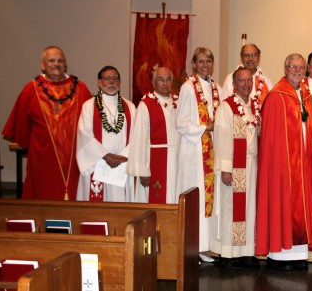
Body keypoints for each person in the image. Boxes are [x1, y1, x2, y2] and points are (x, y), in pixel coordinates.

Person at [2, 46, 92, 200]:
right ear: (42, 65)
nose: (56, 64)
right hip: (43, 158)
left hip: (75, 159)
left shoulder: (80, 88)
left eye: (60, 60)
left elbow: (91, 122)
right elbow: (20, 127)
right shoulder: (31, 89)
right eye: (51, 60)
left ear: (66, 64)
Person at [256, 53, 312, 271]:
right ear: (285, 68)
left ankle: (299, 253)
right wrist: (278, 165)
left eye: (301, 67)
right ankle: (280, 255)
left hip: (303, 163)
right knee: (283, 204)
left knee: (300, 206)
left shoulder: (306, 95)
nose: (297, 70)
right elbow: (271, 139)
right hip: (283, 165)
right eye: (293, 66)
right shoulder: (276, 96)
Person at [176, 47, 226, 263]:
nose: (205, 65)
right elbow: (181, 122)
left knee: (211, 198)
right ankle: (192, 247)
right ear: (194, 64)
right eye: (201, 61)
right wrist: (207, 127)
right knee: (197, 197)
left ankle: (206, 246)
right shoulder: (188, 87)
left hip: (212, 149)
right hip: (194, 152)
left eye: (209, 61)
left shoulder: (217, 88)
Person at [210, 67, 261, 269]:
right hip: (233, 165)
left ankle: (247, 251)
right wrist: (225, 168)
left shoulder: (255, 106)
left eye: (249, 80)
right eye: (242, 81)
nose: (246, 84)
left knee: (249, 208)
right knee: (232, 208)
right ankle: (230, 254)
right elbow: (221, 138)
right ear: (234, 84)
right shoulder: (226, 107)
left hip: (252, 164)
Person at [76, 66, 135, 202]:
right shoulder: (89, 106)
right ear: (99, 82)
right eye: (107, 78)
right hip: (97, 164)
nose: (111, 82)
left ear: (120, 82)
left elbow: (136, 137)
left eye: (115, 78)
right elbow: (84, 134)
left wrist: (123, 157)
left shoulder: (130, 107)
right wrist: (105, 155)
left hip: (122, 166)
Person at [127, 67, 179, 204]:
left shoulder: (178, 103)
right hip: (154, 162)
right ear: (153, 82)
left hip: (176, 160)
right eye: (161, 80)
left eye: (168, 80)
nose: (165, 83)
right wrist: (143, 170)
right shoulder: (146, 105)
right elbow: (139, 138)